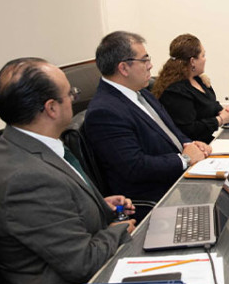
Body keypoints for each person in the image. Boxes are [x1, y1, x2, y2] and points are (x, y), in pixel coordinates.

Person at [0, 58, 136, 284]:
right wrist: (118, 229)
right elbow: (84, 263)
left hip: (89, 277)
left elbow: (55, 209)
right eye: (70, 93)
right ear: (51, 108)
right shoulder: (26, 179)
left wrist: (97, 205)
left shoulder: (24, 144)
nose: (74, 98)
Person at [85, 31, 211, 202]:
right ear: (124, 68)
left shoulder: (142, 92)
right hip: (158, 197)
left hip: (181, 180)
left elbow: (171, 131)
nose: (150, 65)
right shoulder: (104, 112)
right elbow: (134, 167)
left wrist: (191, 144)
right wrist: (185, 159)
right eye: (144, 60)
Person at [152, 34, 229, 144]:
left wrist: (222, 111)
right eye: (203, 55)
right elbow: (189, 130)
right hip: (194, 146)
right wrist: (221, 120)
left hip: (208, 141)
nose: (205, 59)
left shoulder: (198, 79)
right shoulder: (175, 91)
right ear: (192, 61)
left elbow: (210, 103)